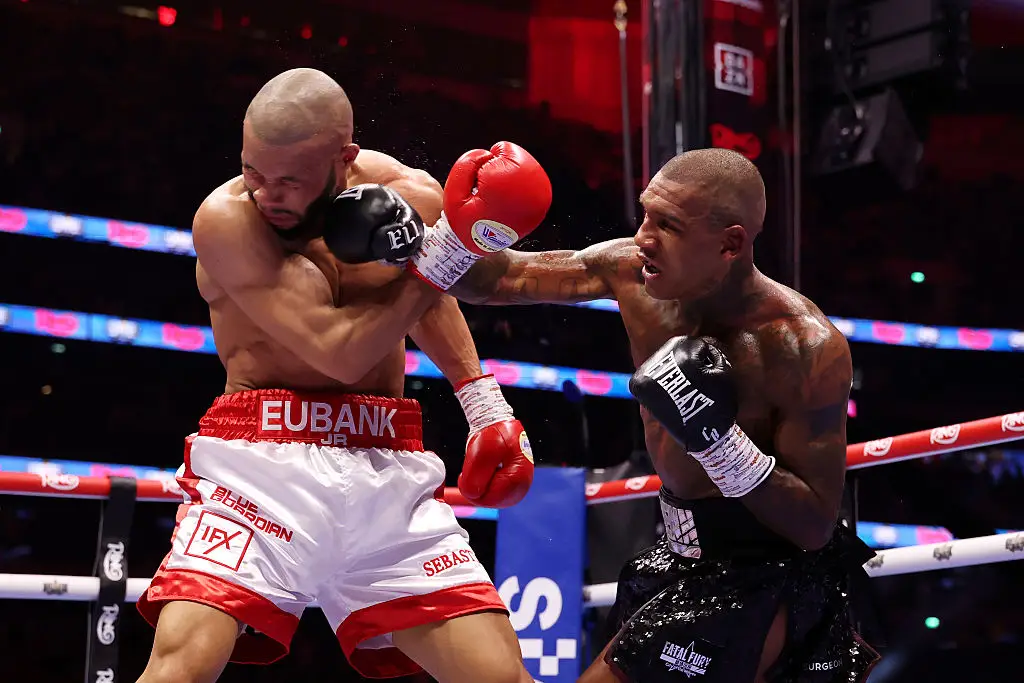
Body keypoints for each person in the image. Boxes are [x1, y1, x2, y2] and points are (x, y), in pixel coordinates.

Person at [135, 68, 551, 683]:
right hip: (260, 465)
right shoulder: (227, 221)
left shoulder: (409, 193)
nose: (267, 194)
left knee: (501, 677)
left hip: (386, 464)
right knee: (183, 669)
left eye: (289, 180)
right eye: (253, 172)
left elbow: (430, 300)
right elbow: (340, 351)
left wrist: (484, 405)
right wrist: (441, 256)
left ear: (345, 158)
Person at [448, 148, 881, 682]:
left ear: (731, 243)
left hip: (764, 574)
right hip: (678, 555)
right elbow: (495, 282)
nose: (643, 237)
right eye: (646, 213)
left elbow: (815, 525)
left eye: (668, 225)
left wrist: (718, 441)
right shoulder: (632, 272)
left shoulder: (801, 347)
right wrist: (444, 236)